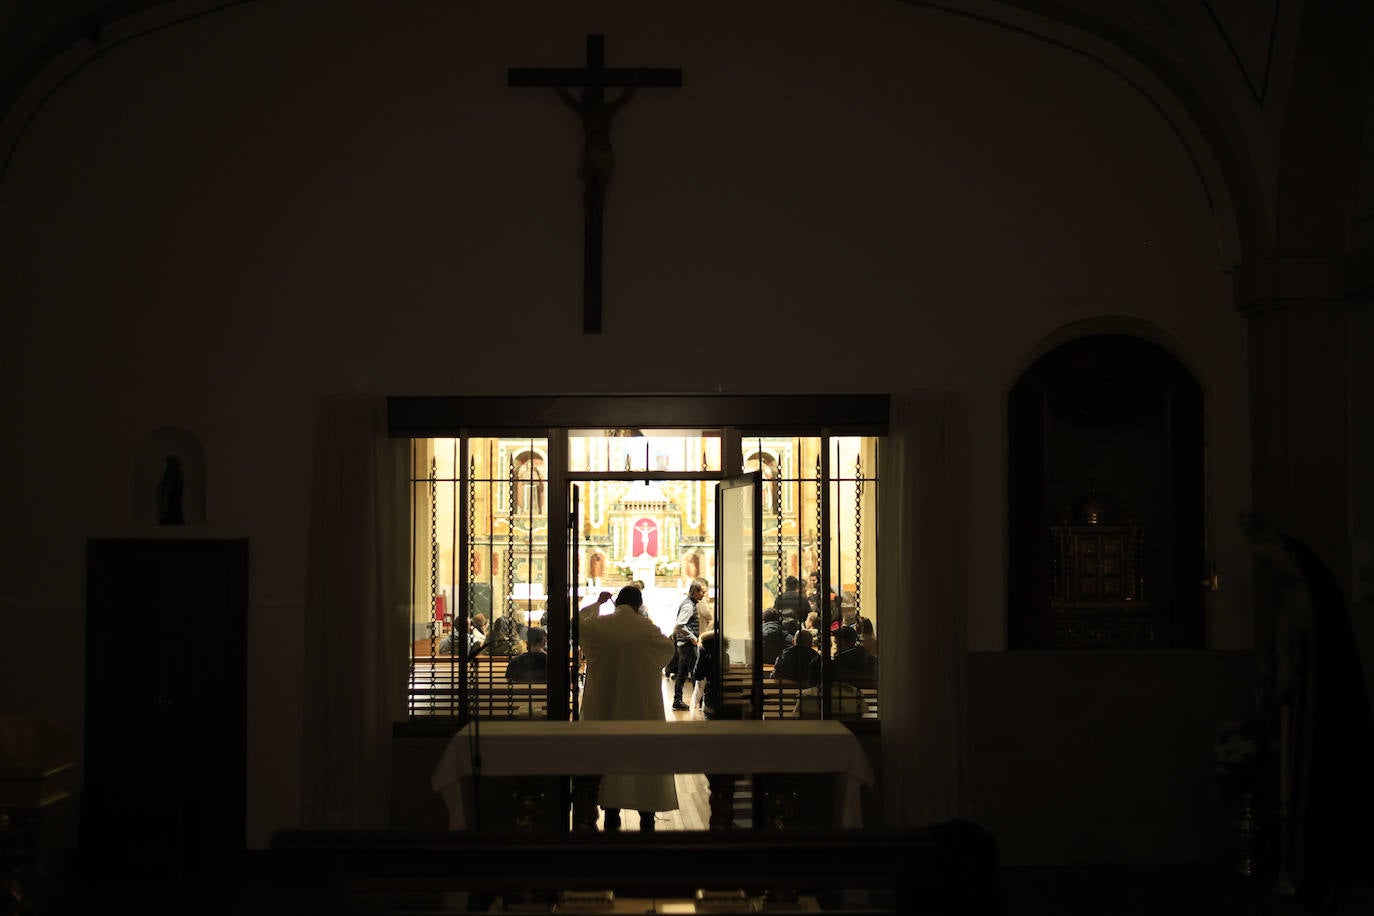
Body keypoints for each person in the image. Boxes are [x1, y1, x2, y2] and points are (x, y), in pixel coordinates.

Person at [579, 585, 677, 831]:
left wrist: (597, 603)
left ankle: (611, 814)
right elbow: (667, 650)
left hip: (606, 705)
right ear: (638, 605)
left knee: (609, 757)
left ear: (617, 602)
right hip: (641, 707)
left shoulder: (601, 626)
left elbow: (577, 622)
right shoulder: (647, 629)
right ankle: (647, 817)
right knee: (644, 757)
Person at [671, 577, 707, 711]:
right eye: (702, 591)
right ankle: (698, 702)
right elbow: (680, 624)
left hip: (684, 644)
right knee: (696, 673)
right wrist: (692, 637)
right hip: (687, 645)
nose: (704, 594)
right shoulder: (688, 605)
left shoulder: (690, 603)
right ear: (695, 591)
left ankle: (678, 701)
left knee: (682, 673)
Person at [690, 606, 723, 711]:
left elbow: (698, 673)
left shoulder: (705, 646)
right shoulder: (727, 646)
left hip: (711, 692)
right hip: (731, 693)